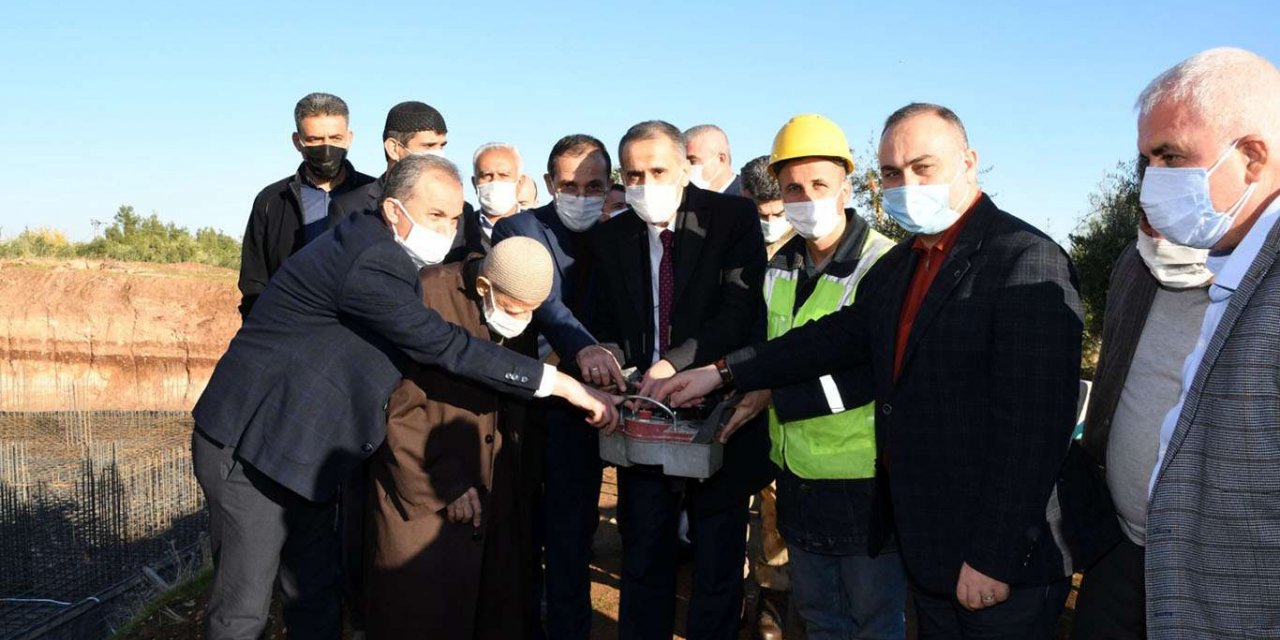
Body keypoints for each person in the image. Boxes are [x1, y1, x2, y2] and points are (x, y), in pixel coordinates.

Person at [656, 103, 1085, 639]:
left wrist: (993, 556)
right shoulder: (906, 264)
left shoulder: (1024, 259)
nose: (906, 184)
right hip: (925, 537)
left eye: (922, 168)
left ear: (969, 162)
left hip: (993, 555)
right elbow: (832, 338)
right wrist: (722, 372)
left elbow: (1035, 430)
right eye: (891, 173)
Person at [190, 154, 617, 640]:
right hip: (250, 447)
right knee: (242, 609)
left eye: (455, 216)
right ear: (394, 210)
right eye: (435, 215)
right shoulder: (371, 259)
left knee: (312, 592)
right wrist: (560, 383)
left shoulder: (389, 253)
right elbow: (444, 346)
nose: (449, 227)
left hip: (306, 446)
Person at [589, 120, 773, 640]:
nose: (646, 183)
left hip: (718, 410)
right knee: (644, 552)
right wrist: (604, 351)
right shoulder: (610, 236)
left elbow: (739, 310)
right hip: (645, 416)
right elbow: (605, 320)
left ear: (685, 168)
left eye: (658, 170)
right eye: (634, 173)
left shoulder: (731, 218)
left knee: (716, 562)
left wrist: (676, 362)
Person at [732, 114, 904, 639]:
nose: (805, 198)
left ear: (847, 187)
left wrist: (778, 394)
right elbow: (771, 350)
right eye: (793, 188)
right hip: (797, 477)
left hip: (864, 482)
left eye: (819, 185)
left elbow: (880, 375)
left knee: (873, 620)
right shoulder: (779, 266)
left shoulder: (884, 265)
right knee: (820, 617)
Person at [1136, 47, 1280, 638]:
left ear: (1251, 158)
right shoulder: (1239, 266)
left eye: (1171, 156)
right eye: (1148, 159)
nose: (1152, 179)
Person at [365, 237, 555, 640]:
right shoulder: (426, 295)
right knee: (424, 614)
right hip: (422, 488)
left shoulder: (511, 301)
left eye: (531, 312)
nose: (521, 320)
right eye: (515, 310)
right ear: (485, 288)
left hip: (493, 495)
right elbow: (392, 407)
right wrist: (445, 482)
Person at [492, 134, 625, 640]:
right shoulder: (519, 228)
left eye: (594, 185)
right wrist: (587, 348)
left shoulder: (619, 238)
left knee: (572, 536)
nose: (581, 195)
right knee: (520, 529)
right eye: (569, 184)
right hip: (525, 403)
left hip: (584, 412)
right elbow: (543, 300)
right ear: (549, 184)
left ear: (609, 185)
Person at [1070, 219, 1211, 640]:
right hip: (1118, 538)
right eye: (1148, 220)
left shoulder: (1260, 280)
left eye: (1172, 219)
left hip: (1204, 562)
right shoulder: (1134, 262)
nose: (1157, 236)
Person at [238, 92, 375, 316]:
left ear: (349, 138)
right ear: (297, 141)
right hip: (291, 330)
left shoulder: (375, 194)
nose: (327, 147)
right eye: (315, 140)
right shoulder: (271, 201)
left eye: (335, 138)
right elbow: (254, 282)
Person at [329, 100, 477, 261]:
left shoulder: (460, 211)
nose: (438, 154)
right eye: (428, 146)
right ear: (393, 148)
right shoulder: (350, 208)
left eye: (441, 146)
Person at [467, 143, 525, 253]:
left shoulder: (538, 228)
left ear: (520, 183)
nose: (494, 181)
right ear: (474, 183)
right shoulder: (461, 230)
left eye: (503, 175)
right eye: (486, 175)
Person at [741, 155, 796, 258]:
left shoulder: (810, 242)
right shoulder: (732, 239)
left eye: (779, 214)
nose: (770, 222)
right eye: (762, 215)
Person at [685, 124, 744, 196]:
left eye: (692, 161)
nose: (685, 168)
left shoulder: (750, 198)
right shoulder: (684, 200)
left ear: (721, 159)